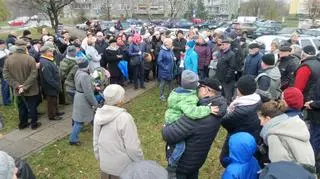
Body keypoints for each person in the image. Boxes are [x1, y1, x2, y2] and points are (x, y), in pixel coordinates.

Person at [162, 78, 227, 179]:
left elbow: (169, 134)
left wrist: (165, 127)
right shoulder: (218, 108)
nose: (197, 89)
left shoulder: (198, 116)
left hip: (183, 164)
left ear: (207, 90)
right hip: (197, 160)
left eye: (200, 87)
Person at [164, 70, 218, 168]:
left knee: (173, 142)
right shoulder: (188, 98)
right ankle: (173, 161)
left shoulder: (176, 92)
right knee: (180, 145)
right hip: (174, 119)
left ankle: (170, 150)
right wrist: (207, 109)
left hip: (169, 116)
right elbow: (192, 112)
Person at [94, 84, 144, 178]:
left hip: (105, 167)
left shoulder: (99, 115)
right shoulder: (125, 118)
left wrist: (100, 158)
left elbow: (96, 141)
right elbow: (133, 148)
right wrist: (140, 162)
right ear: (119, 100)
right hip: (123, 170)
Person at [258, 100, 315, 169]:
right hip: (309, 169)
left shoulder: (273, 136)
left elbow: (279, 166)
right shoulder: (294, 123)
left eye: (261, 119)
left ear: (267, 118)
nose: (261, 123)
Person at [220, 75, 262, 167]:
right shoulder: (257, 99)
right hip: (252, 136)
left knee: (227, 160)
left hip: (238, 138)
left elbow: (224, 122)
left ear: (239, 90)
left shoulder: (240, 110)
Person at [3, 40, 41, 130]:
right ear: (24, 48)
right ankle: (34, 124)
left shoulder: (8, 59)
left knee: (21, 107)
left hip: (17, 89)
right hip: (30, 88)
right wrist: (24, 86)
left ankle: (22, 124)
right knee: (32, 106)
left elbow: (6, 75)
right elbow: (34, 74)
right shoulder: (30, 59)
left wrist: (17, 85)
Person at [70, 58, 98, 145]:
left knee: (81, 116)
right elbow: (88, 93)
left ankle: (97, 129)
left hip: (78, 96)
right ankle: (73, 139)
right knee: (79, 121)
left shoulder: (78, 71)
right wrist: (95, 104)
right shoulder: (85, 76)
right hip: (83, 99)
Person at [39, 42, 64, 121]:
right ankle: (52, 115)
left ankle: (56, 112)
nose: (52, 52)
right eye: (50, 51)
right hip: (50, 86)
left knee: (54, 100)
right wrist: (57, 85)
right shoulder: (45, 63)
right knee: (51, 101)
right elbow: (48, 78)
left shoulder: (48, 60)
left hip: (53, 85)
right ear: (45, 53)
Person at [215, 38, 237, 104]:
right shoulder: (221, 53)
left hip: (227, 79)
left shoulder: (231, 54)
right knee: (222, 93)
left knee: (228, 95)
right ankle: (222, 105)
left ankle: (228, 107)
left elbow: (232, 67)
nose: (222, 46)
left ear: (228, 45)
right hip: (220, 78)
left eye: (223, 44)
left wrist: (227, 78)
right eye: (221, 44)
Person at [0, 40, 11, 105]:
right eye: (2, 44)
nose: (3, 45)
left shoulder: (6, 50)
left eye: (4, 44)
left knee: (8, 85)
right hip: (3, 71)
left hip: (8, 70)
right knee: (5, 86)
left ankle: (8, 99)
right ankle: (6, 101)